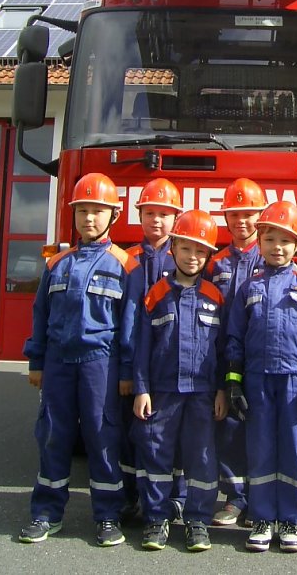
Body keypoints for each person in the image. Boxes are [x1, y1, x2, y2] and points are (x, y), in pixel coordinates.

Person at [19, 172, 143, 547]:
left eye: (98, 211)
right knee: (53, 435)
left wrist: (125, 373)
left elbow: (130, 327)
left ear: (113, 216)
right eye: (83, 211)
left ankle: (108, 516)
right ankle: (45, 513)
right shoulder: (56, 263)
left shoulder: (126, 265)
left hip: (99, 364)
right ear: (73, 215)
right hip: (58, 362)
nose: (89, 218)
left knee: (102, 437)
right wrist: (36, 362)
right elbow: (40, 315)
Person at [225, 201, 297, 553]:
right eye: (270, 239)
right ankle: (262, 518)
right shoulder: (248, 288)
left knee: (293, 453)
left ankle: (290, 520)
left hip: (294, 384)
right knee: (260, 451)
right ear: (259, 241)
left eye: (286, 240)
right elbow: (235, 340)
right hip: (257, 382)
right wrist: (234, 382)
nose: (277, 247)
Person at [131, 209, 227, 553]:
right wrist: (141, 389)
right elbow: (141, 346)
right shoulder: (156, 294)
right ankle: (157, 519)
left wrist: (221, 390)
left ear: (209, 256)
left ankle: (197, 521)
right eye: (186, 248)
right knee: (156, 455)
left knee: (201, 458)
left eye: (201, 251)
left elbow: (223, 349)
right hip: (162, 393)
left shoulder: (216, 298)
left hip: (202, 394)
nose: (193, 257)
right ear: (173, 248)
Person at [122, 178, 185, 522]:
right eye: (149, 213)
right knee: (133, 434)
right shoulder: (127, 259)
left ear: (176, 218)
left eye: (163, 214)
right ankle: (132, 496)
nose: (156, 221)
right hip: (135, 361)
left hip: (172, 364)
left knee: (173, 436)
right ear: (140, 216)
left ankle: (177, 497)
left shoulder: (185, 255)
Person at [205, 178, 267, 527]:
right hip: (224, 356)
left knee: (259, 427)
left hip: (260, 357)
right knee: (228, 426)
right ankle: (234, 497)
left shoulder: (274, 256)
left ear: (261, 215)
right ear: (225, 218)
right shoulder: (215, 264)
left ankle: (258, 498)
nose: (241, 221)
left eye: (249, 214)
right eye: (234, 215)